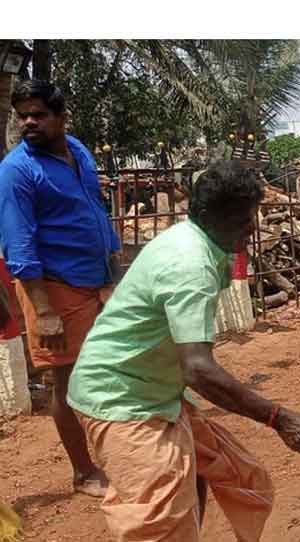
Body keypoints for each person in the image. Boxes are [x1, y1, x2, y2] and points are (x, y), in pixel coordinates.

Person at [66, 162, 300, 542]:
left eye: (251, 216)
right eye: (241, 219)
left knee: (226, 470)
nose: (252, 228)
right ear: (208, 216)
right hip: (122, 400)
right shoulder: (190, 265)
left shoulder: (199, 242)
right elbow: (199, 369)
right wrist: (278, 418)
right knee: (157, 523)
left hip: (152, 389)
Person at [0, 80, 123, 497]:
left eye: (38, 114)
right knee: (66, 380)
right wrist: (44, 309)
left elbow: (95, 211)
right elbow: (18, 241)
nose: (28, 122)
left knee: (108, 367)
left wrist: (111, 272)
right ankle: (84, 471)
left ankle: (117, 450)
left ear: (60, 117)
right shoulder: (17, 170)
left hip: (95, 279)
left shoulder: (79, 151)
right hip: (53, 288)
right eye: (23, 116)